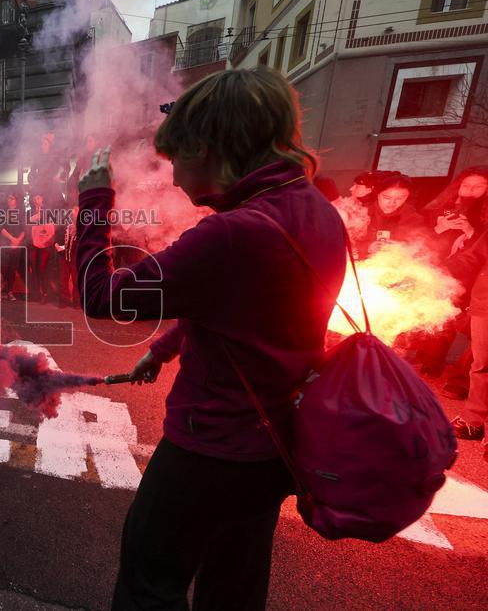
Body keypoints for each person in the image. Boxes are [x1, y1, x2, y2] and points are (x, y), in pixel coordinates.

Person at [75, 67, 346, 608]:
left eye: (177, 157)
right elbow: (240, 304)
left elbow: (102, 296)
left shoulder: (230, 233)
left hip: (210, 448)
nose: (174, 177)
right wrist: (164, 348)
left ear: (208, 147)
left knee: (150, 583)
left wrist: (94, 201)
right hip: (273, 443)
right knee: (235, 588)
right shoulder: (316, 209)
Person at [445, 232, 488, 455]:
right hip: (485, 303)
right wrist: (435, 271)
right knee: (481, 366)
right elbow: (472, 258)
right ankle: (474, 421)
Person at [423, 166, 488, 259]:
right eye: (465, 185)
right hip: (430, 261)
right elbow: (416, 238)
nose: (470, 189)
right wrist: (439, 228)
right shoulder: (439, 208)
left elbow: (482, 254)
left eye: (478, 186)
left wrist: (470, 232)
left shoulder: (484, 215)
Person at [359, 173, 428, 257]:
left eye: (400, 198)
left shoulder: (413, 218)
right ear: (378, 194)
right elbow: (348, 242)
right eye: (386, 197)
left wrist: (401, 248)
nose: (392, 203)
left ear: (407, 197)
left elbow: (421, 247)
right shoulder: (362, 212)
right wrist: (367, 248)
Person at [26, 193, 56, 302]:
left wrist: (47, 240)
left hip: (45, 245)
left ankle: (45, 293)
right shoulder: (29, 212)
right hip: (32, 244)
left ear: (42, 199)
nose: (36, 200)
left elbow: (52, 228)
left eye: (38, 198)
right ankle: (36, 293)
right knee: (34, 269)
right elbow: (26, 226)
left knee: (42, 268)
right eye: (35, 198)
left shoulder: (48, 212)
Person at [0, 193, 26, 301]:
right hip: (5, 244)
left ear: (16, 200)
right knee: (3, 268)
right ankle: (2, 290)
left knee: (12, 269)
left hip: (16, 245)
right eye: (8, 198)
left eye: (12, 198)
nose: (10, 200)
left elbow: (24, 229)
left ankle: (10, 291)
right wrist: (12, 239)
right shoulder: (2, 212)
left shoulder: (21, 213)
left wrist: (18, 240)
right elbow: (1, 228)